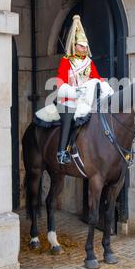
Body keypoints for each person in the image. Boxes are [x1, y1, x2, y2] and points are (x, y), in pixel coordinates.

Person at [56, 15, 112, 164]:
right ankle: (62, 152)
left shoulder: (89, 63)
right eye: (81, 45)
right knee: (68, 118)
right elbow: (60, 84)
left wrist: (106, 87)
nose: (84, 48)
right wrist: (74, 92)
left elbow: (97, 78)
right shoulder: (66, 62)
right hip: (68, 99)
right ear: (74, 45)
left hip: (85, 98)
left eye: (86, 46)